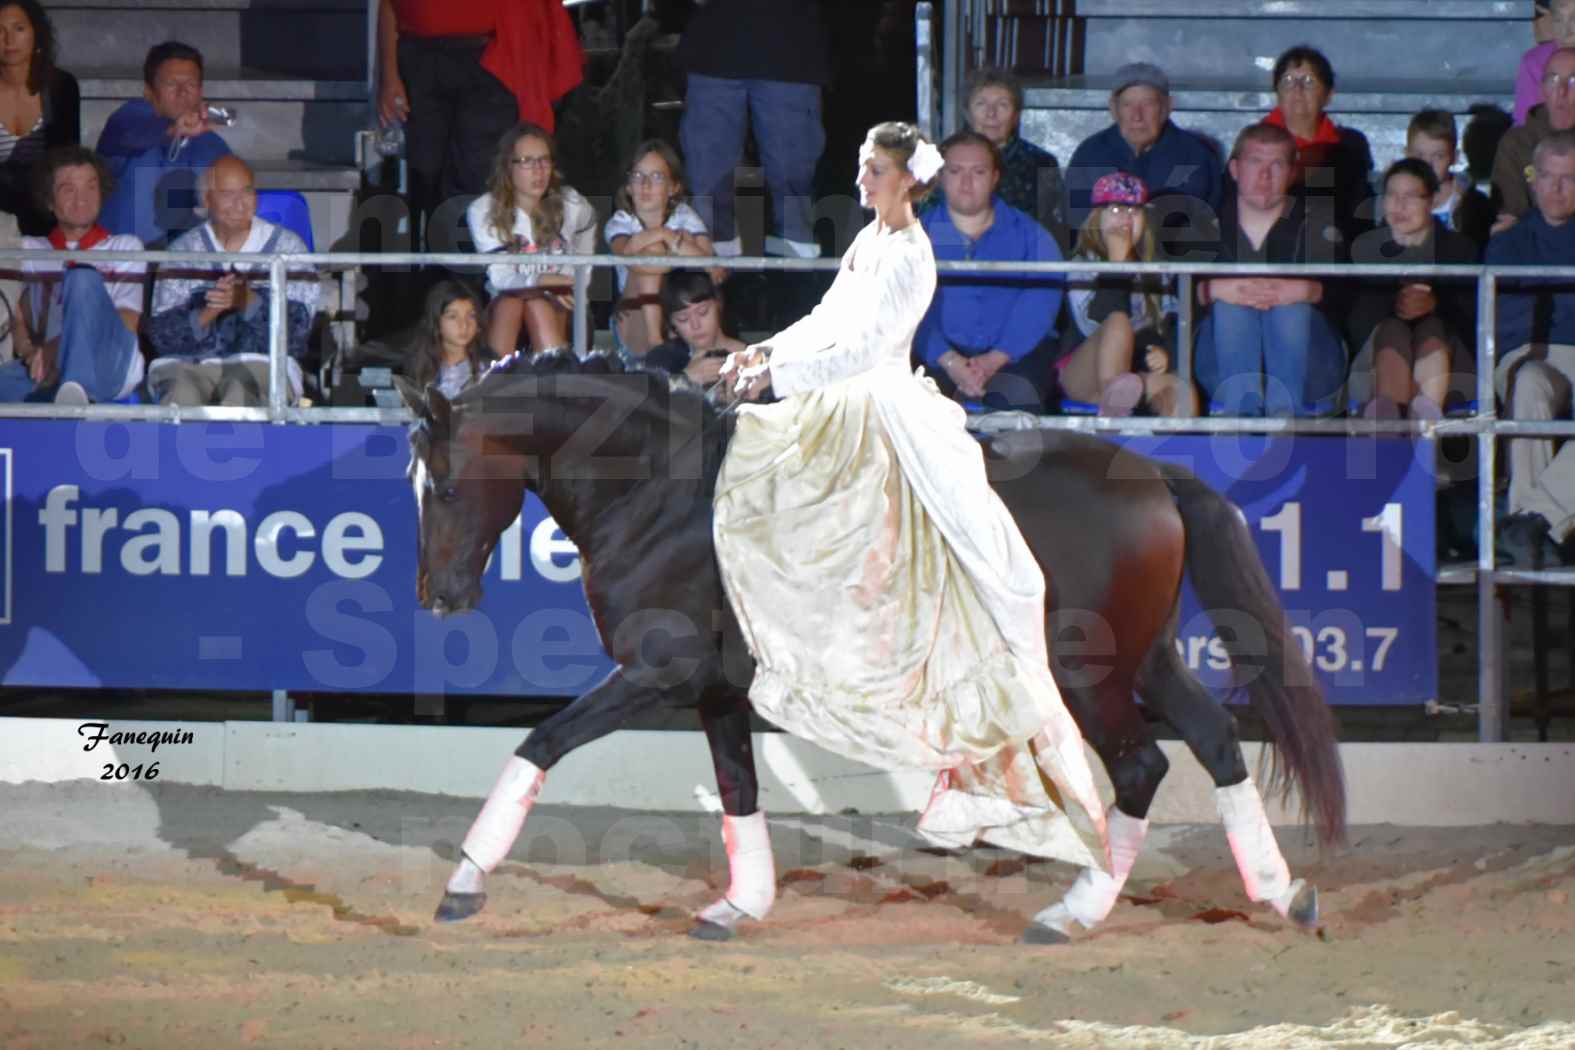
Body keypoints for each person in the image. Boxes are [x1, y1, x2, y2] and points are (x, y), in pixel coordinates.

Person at [697, 122, 1109, 937]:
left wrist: (774, 374)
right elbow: (823, 315)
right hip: (832, 397)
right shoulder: (867, 239)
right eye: (859, 164)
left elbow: (858, 351)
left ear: (902, 180)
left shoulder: (912, 253)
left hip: (878, 409)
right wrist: (758, 352)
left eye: (871, 168)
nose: (859, 177)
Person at [375, 0, 581, 250]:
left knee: (476, 175)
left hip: (488, 57)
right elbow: (387, 4)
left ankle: (465, 275)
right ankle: (434, 273)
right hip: (420, 56)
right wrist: (389, 75)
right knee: (425, 170)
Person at [1194, 124, 1349, 417]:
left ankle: (1284, 419)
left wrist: (1310, 291)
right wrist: (1211, 290)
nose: (1264, 176)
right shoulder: (1203, 226)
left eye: (1276, 164)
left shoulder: (1319, 226)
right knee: (1229, 307)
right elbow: (1167, 303)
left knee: (1291, 308)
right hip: (1220, 370)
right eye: (1255, 162)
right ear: (1235, 169)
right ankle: (1241, 416)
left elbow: (1353, 299)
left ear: (1292, 173)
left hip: (1310, 372)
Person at [144, 155, 319, 406]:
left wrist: (248, 301)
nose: (240, 204)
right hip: (188, 366)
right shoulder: (181, 253)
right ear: (206, 200)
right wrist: (207, 313)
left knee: (239, 394)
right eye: (227, 194)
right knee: (180, 398)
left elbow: (298, 336)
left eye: (247, 192)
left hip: (260, 366)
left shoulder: (288, 247)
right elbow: (162, 338)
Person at [916, 129, 1062, 413]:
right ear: (940, 178)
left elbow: (1040, 304)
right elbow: (907, 307)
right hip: (935, 355)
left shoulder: (1033, 236)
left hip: (1015, 357)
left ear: (995, 177)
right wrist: (948, 360)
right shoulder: (912, 238)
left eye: (979, 172)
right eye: (955, 171)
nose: (967, 182)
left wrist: (996, 358)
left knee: (1020, 412)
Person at [676, 0, 830, 259]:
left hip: (791, 46)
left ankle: (798, 268)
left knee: (792, 168)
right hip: (715, 46)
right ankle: (709, 264)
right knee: (708, 172)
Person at [1488, 132, 1575, 568]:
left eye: (1568, 179)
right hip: (1530, 355)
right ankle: (1532, 522)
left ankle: (1529, 522)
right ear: (1533, 179)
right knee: (1529, 383)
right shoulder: (1509, 241)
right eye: (1547, 177)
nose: (1556, 189)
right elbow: (1508, 329)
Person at [0, 146, 143, 404]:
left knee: (81, 277)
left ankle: (77, 388)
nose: (82, 199)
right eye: (68, 189)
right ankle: (68, 394)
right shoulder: (29, 250)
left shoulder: (125, 246)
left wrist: (57, 347)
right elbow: (16, 317)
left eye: (91, 187)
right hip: (47, 368)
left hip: (109, 367)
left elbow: (128, 321)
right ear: (49, 201)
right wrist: (30, 351)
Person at [1345, 159, 1480, 420]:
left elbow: (1474, 317)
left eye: (1411, 197)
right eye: (1392, 195)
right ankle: (1391, 423)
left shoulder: (1460, 249)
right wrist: (1396, 304)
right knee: (1393, 330)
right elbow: (1354, 322)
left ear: (1431, 201)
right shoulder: (1364, 249)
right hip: (1374, 360)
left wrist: (1435, 304)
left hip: (1450, 362)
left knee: (1431, 329)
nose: (1399, 206)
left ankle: (1423, 430)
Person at [1059, 173, 1195, 417]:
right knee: (1118, 323)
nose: (1125, 220)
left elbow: (1172, 321)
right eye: (1114, 211)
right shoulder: (1081, 266)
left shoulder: (1155, 269)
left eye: (1134, 212)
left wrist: (1166, 353)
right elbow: (1095, 325)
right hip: (1083, 371)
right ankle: (1114, 403)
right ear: (1096, 219)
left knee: (1180, 389)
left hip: (1134, 372)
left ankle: (1173, 451)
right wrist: (1117, 264)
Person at [466, 123, 596, 357]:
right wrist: (547, 281)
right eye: (527, 161)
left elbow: (579, 268)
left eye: (544, 160)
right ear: (508, 167)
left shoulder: (572, 204)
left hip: (565, 310)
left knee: (538, 305)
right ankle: (494, 386)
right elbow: (502, 279)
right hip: (507, 309)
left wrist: (572, 280)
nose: (539, 170)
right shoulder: (483, 209)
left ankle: (558, 382)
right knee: (512, 302)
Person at [1063, 62, 1222, 239]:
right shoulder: (1090, 154)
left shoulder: (1195, 156)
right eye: (1127, 105)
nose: (1137, 117)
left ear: (1167, 107)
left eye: (1148, 104)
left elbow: (1199, 228)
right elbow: (1078, 226)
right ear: (1113, 109)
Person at [96, 41, 230, 248]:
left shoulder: (213, 144)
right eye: (171, 84)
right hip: (125, 265)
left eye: (191, 84)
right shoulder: (129, 119)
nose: (182, 91)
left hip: (187, 265)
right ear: (149, 91)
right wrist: (173, 130)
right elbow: (131, 135)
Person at [603, 140, 719, 356]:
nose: (646, 185)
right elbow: (626, 252)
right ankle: (657, 347)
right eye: (638, 176)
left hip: (679, 311)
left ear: (673, 187)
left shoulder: (683, 215)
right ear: (628, 186)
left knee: (700, 290)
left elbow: (709, 265)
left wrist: (675, 252)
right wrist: (670, 240)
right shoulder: (621, 220)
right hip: (634, 317)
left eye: (657, 177)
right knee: (652, 254)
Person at [1261, 45, 1374, 242]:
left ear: (1328, 95)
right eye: (1288, 81)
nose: (1297, 89)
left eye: (1309, 81)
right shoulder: (1255, 144)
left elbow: (1359, 214)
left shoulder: (1349, 147)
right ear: (1277, 92)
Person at [939, 68, 1064, 244]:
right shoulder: (941, 160)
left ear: (1016, 116)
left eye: (1002, 105)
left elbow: (1053, 229)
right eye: (981, 104)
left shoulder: (1041, 162)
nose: (991, 114)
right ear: (967, 113)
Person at [0, 0, 78, 235]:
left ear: (36, 34)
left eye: (19, 29)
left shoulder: (61, 86)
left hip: (46, 208)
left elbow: (67, 159)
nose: (9, 40)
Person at [1494, 47, 1575, 225]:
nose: (1561, 91)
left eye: (1573, 81)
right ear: (1542, 89)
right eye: (1553, 80)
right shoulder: (1516, 143)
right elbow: (1509, 218)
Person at [1404, 109, 1495, 250]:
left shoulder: (1474, 206)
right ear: (1407, 155)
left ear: (1454, 157)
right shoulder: (1394, 203)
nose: (1428, 164)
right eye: (1419, 156)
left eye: (1438, 156)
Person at [641, 269, 746, 391]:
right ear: (672, 324)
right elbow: (642, 402)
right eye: (683, 319)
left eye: (703, 312)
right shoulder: (663, 358)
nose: (695, 325)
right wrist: (685, 379)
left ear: (719, 305)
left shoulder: (752, 355)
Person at [404, 278, 490, 398]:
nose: (464, 325)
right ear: (436, 322)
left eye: (471, 316)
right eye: (453, 317)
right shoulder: (421, 366)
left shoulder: (487, 366)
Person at [1516, 0, 1575, 125]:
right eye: (1558, 20)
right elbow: (1524, 122)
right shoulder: (1534, 62)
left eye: (1574, 19)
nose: (1566, 31)